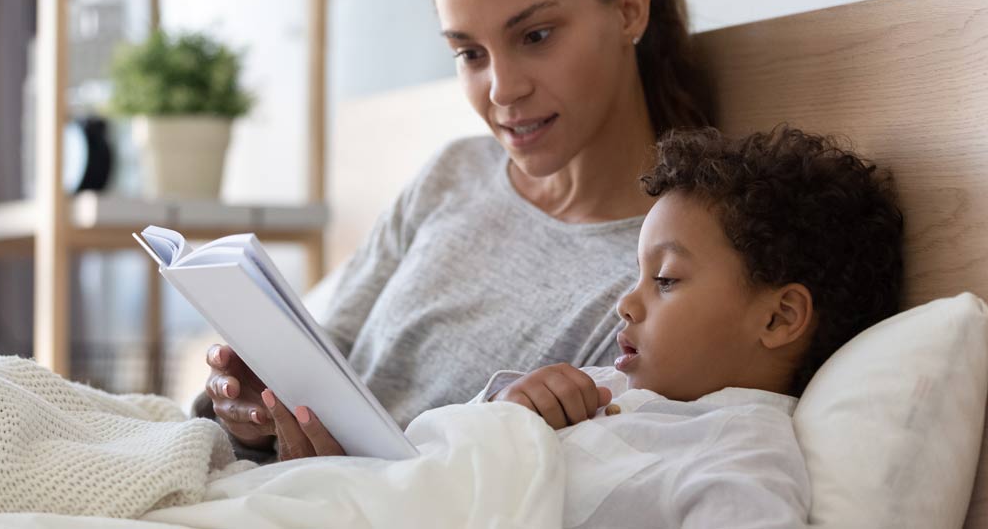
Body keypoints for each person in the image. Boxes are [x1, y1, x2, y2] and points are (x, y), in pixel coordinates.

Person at [200, 0, 711, 460]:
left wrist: (486, 430)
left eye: (536, 35)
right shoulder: (455, 172)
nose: (502, 90)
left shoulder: (664, 268)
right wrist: (251, 415)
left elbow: (596, 468)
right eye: (470, 53)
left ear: (628, 9)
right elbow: (327, 352)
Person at [264, 126, 904, 529]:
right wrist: (511, 408)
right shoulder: (608, 388)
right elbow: (449, 459)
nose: (626, 303)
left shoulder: (740, 457)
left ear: (778, 316)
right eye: (638, 276)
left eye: (667, 280)